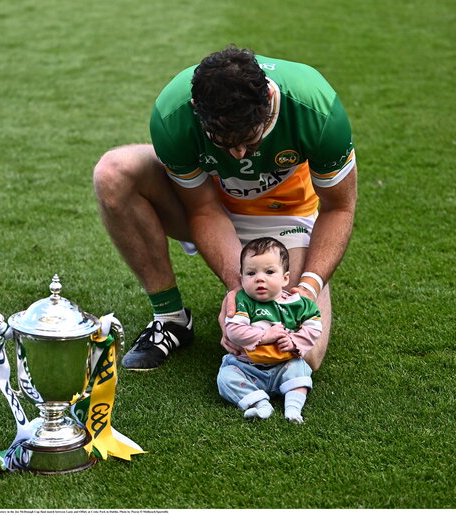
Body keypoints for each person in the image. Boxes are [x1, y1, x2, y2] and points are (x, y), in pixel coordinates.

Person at [93, 45, 357, 371]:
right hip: (212, 206)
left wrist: (307, 288)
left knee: (297, 355)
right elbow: (203, 209)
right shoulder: (173, 114)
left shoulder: (314, 107)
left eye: (251, 139)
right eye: (223, 141)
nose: (239, 154)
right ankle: (170, 318)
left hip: (284, 216)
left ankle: (296, 271)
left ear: (268, 101)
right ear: (196, 108)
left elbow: (339, 208)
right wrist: (239, 291)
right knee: (113, 173)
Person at [217, 237, 321, 422]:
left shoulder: (298, 304)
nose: (259, 278)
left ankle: (293, 408)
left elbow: (314, 327)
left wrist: (294, 341)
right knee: (226, 377)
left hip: (284, 365)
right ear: (242, 278)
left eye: (269, 272)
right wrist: (265, 336)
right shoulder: (242, 302)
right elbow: (234, 330)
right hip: (247, 367)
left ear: (285, 278)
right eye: (251, 273)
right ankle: (260, 405)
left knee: (301, 368)